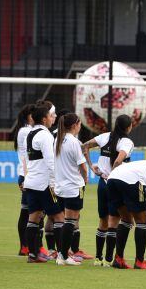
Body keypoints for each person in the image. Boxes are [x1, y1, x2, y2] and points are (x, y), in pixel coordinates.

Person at [83, 114, 134, 266]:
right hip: (116, 184)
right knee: (114, 221)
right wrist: (113, 174)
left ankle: (98, 258)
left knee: (102, 220)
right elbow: (119, 159)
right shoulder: (126, 142)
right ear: (128, 127)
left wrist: (92, 166)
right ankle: (108, 259)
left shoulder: (104, 137)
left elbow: (84, 146)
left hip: (102, 184)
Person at [22, 104, 57, 264]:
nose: (53, 118)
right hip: (44, 183)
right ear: (44, 119)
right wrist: (54, 182)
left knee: (33, 217)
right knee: (60, 217)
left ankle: (32, 254)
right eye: (51, 115)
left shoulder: (30, 134)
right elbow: (51, 161)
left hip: (32, 182)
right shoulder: (45, 135)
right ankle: (64, 255)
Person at [53, 113, 88, 265]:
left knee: (66, 221)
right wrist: (85, 178)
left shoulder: (58, 139)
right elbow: (82, 165)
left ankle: (62, 253)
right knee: (70, 221)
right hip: (74, 186)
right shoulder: (74, 142)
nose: (80, 126)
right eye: (80, 123)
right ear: (75, 125)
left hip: (61, 186)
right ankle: (63, 256)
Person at [14, 103, 35, 256]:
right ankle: (24, 246)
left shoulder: (27, 130)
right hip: (27, 174)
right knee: (26, 212)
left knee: (30, 212)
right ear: (28, 116)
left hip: (29, 174)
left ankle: (28, 245)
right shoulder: (26, 131)